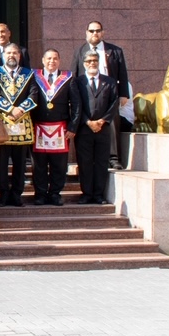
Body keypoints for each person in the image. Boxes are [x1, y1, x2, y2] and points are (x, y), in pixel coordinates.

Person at [73, 20, 131, 166]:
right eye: (91, 31)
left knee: (111, 123)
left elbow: (122, 74)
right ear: (86, 33)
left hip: (109, 94)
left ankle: (113, 158)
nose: (95, 33)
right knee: (87, 126)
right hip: (87, 95)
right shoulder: (80, 51)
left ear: (102, 33)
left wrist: (123, 94)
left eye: (98, 30)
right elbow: (74, 75)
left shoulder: (115, 51)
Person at [29, 49, 82, 206]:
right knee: (38, 164)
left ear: (59, 61)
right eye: (49, 58)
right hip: (38, 127)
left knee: (59, 165)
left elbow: (76, 104)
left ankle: (55, 194)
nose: (52, 61)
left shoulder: (67, 78)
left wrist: (73, 127)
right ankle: (40, 194)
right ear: (43, 60)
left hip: (60, 128)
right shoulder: (34, 76)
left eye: (55, 59)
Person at [0, 43, 37, 207]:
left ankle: (17, 194)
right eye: (8, 52)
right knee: (1, 163)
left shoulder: (28, 73)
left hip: (22, 123)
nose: (12, 55)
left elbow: (33, 94)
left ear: (20, 55)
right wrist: (10, 109)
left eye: (15, 53)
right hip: (3, 123)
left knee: (20, 163)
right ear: (3, 55)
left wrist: (20, 110)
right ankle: (2, 194)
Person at [75, 51, 119, 204]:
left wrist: (102, 121)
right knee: (85, 162)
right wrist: (88, 121)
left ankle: (99, 195)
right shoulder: (78, 82)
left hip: (103, 128)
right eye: (89, 61)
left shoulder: (109, 82)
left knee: (101, 162)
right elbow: (76, 105)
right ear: (84, 63)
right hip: (84, 129)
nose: (92, 63)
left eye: (95, 60)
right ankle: (86, 194)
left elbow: (114, 104)